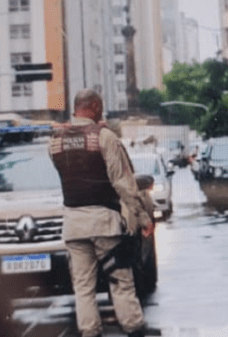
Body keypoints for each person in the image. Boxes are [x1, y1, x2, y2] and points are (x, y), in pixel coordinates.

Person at [49, 89, 154, 337]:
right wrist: (142, 217)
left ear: (76, 108)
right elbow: (123, 182)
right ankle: (134, 328)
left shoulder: (54, 141)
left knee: (83, 287)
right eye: (101, 106)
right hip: (104, 223)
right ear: (95, 106)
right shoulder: (104, 137)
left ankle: (90, 332)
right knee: (120, 281)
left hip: (73, 225)